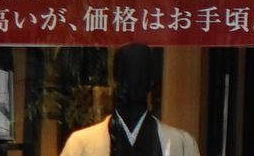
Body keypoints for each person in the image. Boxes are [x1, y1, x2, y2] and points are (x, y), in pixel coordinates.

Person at [64, 50, 200, 156]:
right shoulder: (80, 144)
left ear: (150, 82)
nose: (128, 84)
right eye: (122, 74)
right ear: (114, 80)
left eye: (139, 74)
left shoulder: (181, 143)